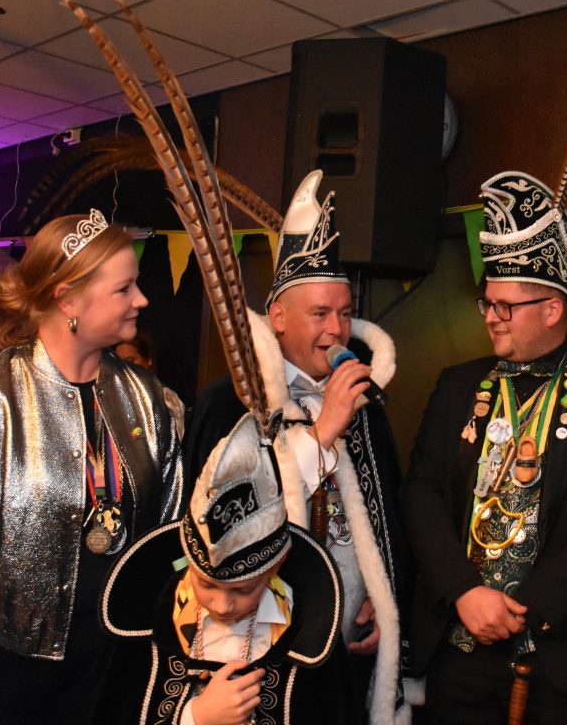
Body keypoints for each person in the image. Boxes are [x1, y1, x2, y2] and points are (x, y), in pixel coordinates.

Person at [0, 209, 184, 723]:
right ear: (68, 298)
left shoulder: (146, 399)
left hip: (119, 672)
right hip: (11, 680)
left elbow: (169, 538)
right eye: (124, 289)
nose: (142, 300)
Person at [401, 171, 567, 724]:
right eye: (487, 303)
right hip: (457, 644)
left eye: (505, 307)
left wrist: (527, 608)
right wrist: (464, 592)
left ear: (552, 309)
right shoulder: (457, 386)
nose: (490, 318)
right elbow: (421, 492)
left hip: (559, 655)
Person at [184, 170, 410, 722]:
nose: (337, 330)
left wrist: (386, 601)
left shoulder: (366, 405)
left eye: (344, 312)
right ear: (279, 318)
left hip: (347, 654)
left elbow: (391, 518)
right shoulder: (228, 403)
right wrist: (321, 434)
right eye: (320, 314)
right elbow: (220, 532)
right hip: (263, 653)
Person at [100, 414, 361, 725]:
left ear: (276, 565)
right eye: (207, 585)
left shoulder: (308, 633)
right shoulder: (149, 628)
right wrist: (193, 717)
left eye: (243, 590)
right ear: (187, 559)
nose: (223, 605)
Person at [116, 331, 187, 440]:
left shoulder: (165, 396)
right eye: (119, 364)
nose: (125, 368)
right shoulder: (117, 396)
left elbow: (176, 439)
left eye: (130, 361)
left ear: (149, 360)